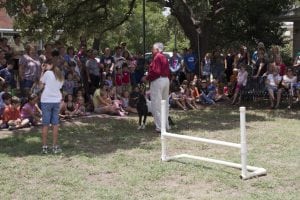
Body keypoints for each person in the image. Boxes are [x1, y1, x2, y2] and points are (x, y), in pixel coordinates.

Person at [142, 42, 170, 132]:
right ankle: (166, 125)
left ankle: (159, 127)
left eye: (153, 49)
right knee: (165, 103)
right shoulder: (164, 57)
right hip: (166, 80)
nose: (152, 50)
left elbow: (156, 71)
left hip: (158, 80)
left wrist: (147, 78)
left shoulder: (157, 57)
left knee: (156, 104)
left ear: (157, 49)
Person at [40, 59, 64, 154]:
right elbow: (59, 87)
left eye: (45, 65)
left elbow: (40, 86)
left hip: (46, 100)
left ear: (50, 65)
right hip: (56, 100)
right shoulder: (60, 75)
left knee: (45, 124)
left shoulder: (47, 73)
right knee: (55, 125)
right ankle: (54, 146)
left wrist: (42, 71)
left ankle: (45, 147)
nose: (44, 67)